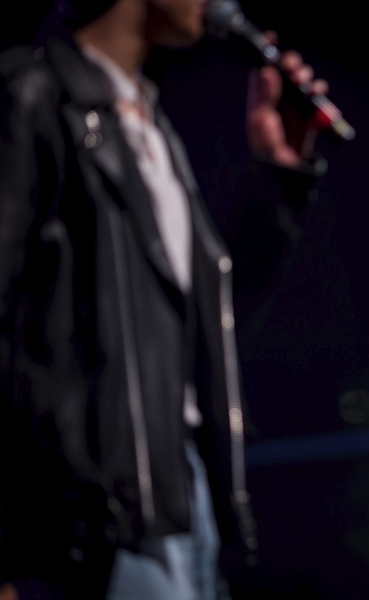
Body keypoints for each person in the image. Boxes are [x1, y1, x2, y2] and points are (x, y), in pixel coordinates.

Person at [0, 0, 332, 598]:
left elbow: (206, 322)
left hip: (180, 487)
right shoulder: (30, 96)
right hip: (95, 507)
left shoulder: (148, 124)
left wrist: (278, 177)